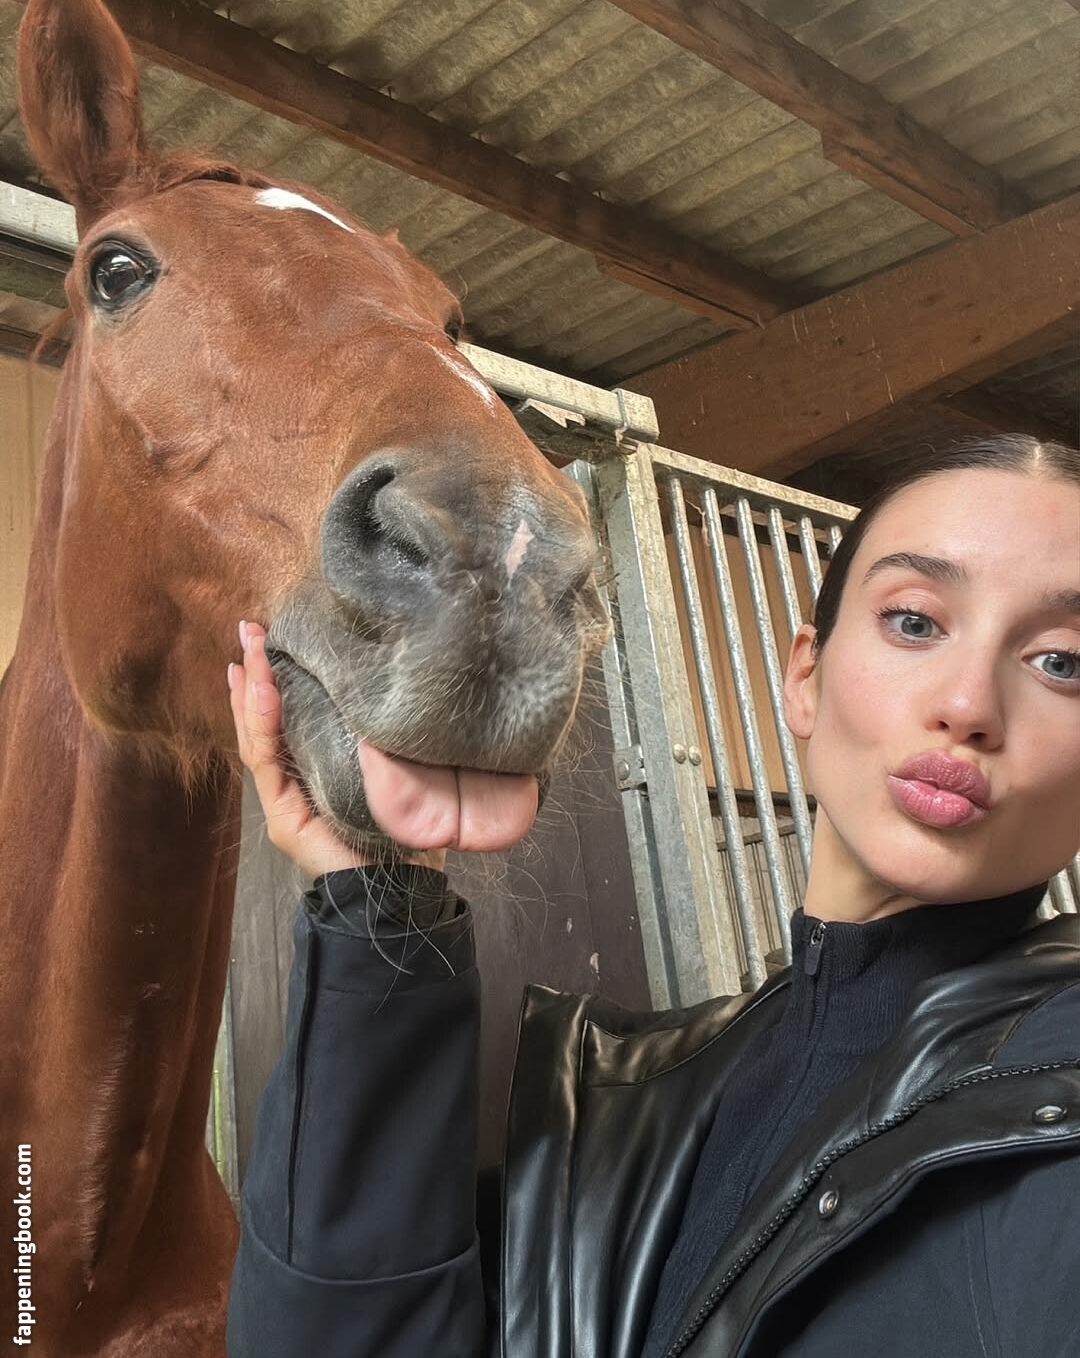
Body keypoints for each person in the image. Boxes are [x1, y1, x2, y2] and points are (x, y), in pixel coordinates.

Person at [224, 434, 1080, 1358]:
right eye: (913, 621)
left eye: (1063, 663)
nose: (968, 704)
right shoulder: (632, 1095)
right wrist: (376, 893)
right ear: (805, 675)